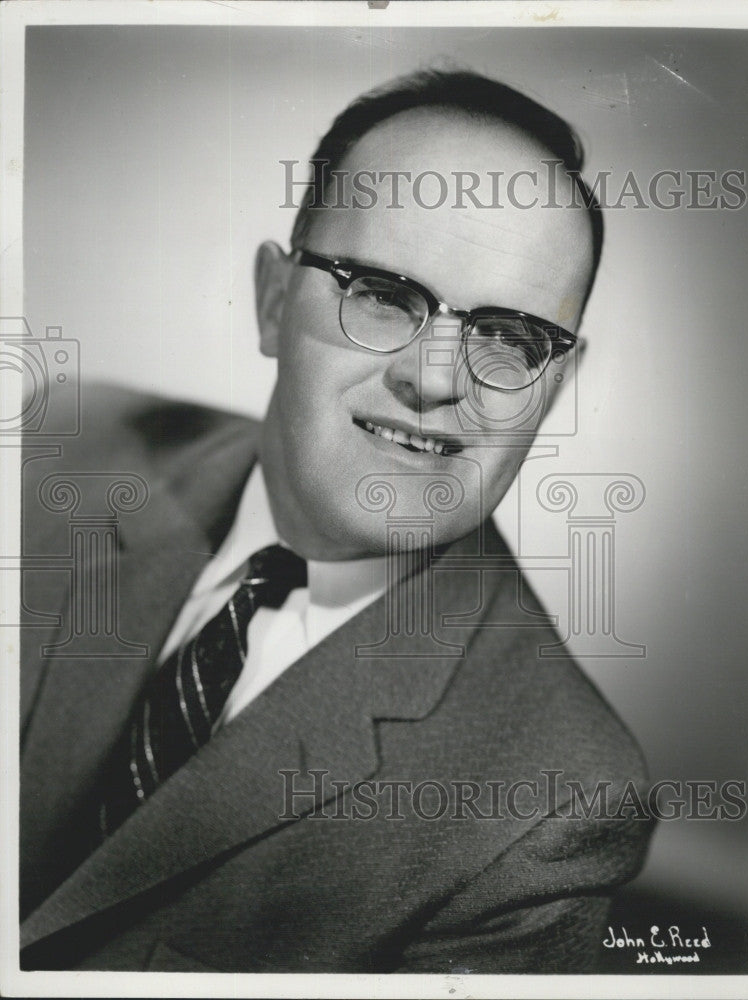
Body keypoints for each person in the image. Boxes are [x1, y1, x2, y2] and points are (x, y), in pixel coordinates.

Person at [20, 70, 653, 973]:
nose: (435, 381)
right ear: (275, 301)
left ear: (555, 386)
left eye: (508, 338)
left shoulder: (554, 807)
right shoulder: (60, 448)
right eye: (386, 295)